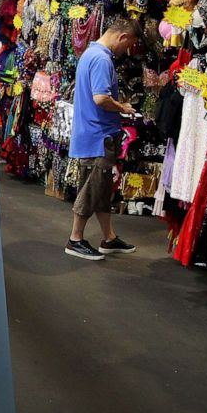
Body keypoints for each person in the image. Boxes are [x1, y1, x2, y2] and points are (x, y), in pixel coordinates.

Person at [65, 18, 140, 261]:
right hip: (98, 137)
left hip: (96, 135)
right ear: (122, 37)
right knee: (92, 188)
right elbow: (100, 98)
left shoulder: (91, 53)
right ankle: (75, 239)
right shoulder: (101, 59)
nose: (126, 51)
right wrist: (123, 107)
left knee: (102, 189)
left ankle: (108, 237)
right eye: (129, 44)